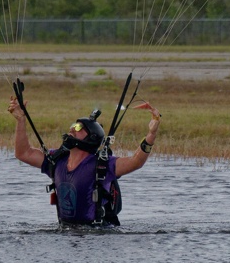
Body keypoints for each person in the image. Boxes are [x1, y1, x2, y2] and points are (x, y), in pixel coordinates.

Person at [8, 95, 161, 226]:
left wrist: (151, 135)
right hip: (65, 233)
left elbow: (136, 161)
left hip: (96, 235)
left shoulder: (102, 165)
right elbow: (23, 153)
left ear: (91, 137)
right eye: (73, 125)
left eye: (79, 127)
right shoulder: (56, 160)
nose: (72, 129)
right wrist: (21, 120)